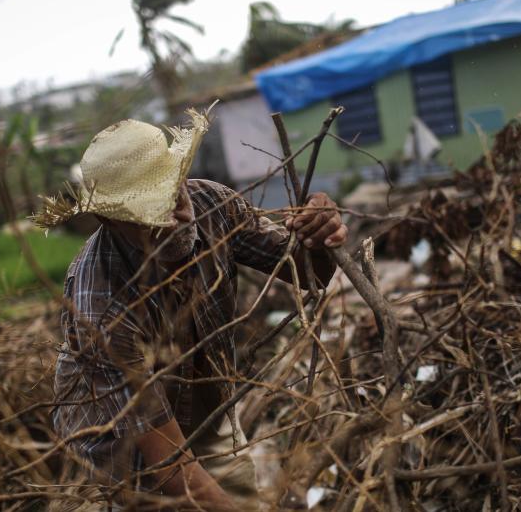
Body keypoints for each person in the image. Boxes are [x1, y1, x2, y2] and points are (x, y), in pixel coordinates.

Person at [34, 111, 348, 510]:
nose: (176, 218)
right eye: (150, 215)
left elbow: (310, 275)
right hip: (124, 448)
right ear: (107, 220)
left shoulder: (212, 204)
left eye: (175, 194)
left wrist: (319, 237)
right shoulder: (100, 310)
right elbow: (167, 466)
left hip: (203, 407)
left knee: (237, 494)